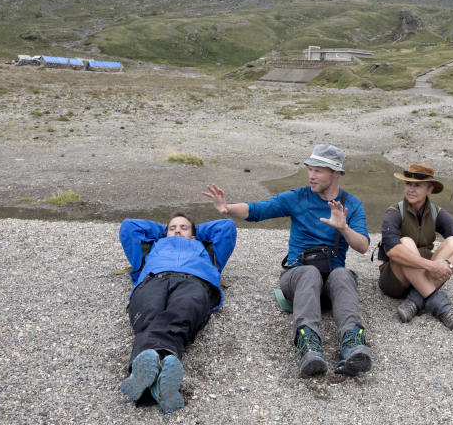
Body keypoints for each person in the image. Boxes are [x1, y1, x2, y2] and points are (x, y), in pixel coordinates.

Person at [202, 144, 372, 377]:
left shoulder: (352, 204)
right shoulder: (297, 197)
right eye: (309, 169)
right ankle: (309, 344)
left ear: (336, 173)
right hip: (298, 276)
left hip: (332, 282)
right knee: (309, 272)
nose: (311, 175)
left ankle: (352, 343)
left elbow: (362, 246)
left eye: (318, 170)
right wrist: (227, 208)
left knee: (343, 274)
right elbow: (258, 210)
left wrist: (343, 227)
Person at [118, 212, 236, 413]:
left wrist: (194, 233)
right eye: (173, 227)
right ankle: (160, 379)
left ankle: (145, 375)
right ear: (164, 233)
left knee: (182, 312)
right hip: (154, 278)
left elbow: (226, 227)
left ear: (194, 235)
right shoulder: (158, 245)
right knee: (149, 313)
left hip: (195, 280)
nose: (177, 230)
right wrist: (165, 233)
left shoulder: (201, 248)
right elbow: (130, 226)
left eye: (183, 227)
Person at [377, 163, 453, 330]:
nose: (411, 189)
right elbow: (391, 249)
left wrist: (447, 265)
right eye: (408, 184)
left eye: (418, 185)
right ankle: (442, 308)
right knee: (405, 243)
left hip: (426, 273)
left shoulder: (437, 212)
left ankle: (415, 300)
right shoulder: (394, 212)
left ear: (429, 189)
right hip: (396, 281)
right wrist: (432, 266)